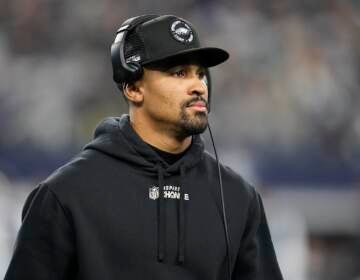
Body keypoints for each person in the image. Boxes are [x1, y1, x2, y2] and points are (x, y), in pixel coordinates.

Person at [4, 14, 283, 280]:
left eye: (200, 73)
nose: (198, 86)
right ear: (133, 88)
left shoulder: (238, 197)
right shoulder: (66, 195)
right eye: (179, 73)